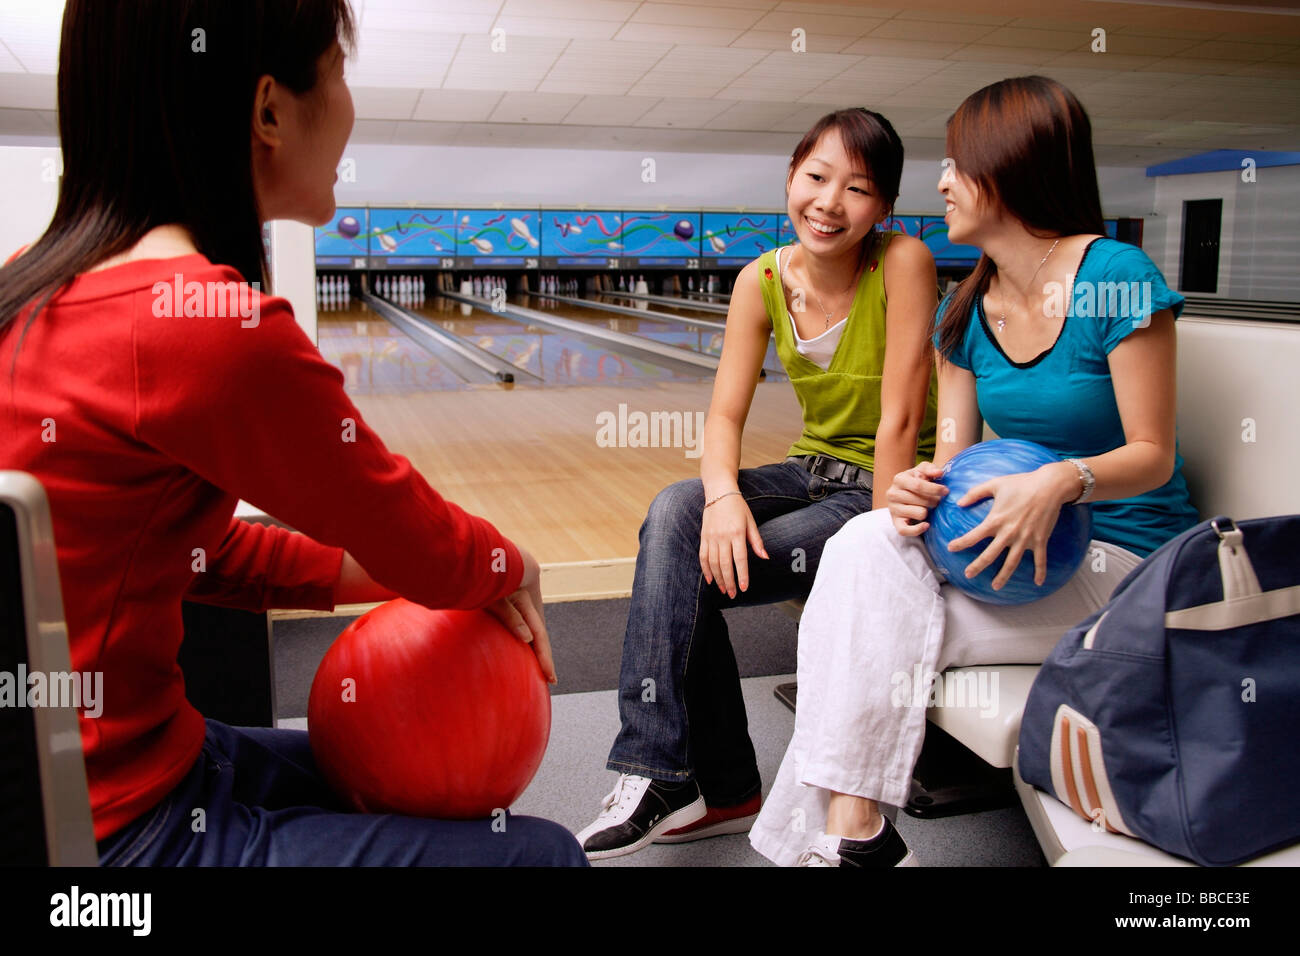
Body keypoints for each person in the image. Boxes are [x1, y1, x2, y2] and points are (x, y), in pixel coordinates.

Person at [0, 0, 585, 867]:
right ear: (270, 109)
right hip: (115, 841)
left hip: (94, 783)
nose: (351, 106)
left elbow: (179, 554)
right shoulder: (207, 326)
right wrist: (510, 561)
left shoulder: (32, 288)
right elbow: (421, 539)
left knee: (396, 769)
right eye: (340, 73)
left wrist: (364, 575)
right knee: (540, 857)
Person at [748, 76, 1201, 868]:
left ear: (1010, 166)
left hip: (1126, 564)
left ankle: (848, 845)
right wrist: (917, 487)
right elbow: (951, 460)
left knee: (863, 628)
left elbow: (1152, 452)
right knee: (862, 543)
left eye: (959, 163)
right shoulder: (969, 309)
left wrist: (1063, 480)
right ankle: (858, 833)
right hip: (1003, 552)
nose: (943, 181)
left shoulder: (1115, 277)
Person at [576, 108, 940, 859]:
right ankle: (658, 769)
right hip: (807, 472)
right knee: (676, 511)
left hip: (881, 485)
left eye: (859, 188)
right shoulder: (761, 279)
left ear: (885, 208)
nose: (830, 202)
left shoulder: (902, 262)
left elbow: (900, 422)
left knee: (687, 577)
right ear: (790, 178)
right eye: (816, 177)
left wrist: (880, 554)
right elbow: (723, 417)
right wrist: (722, 497)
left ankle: (706, 781)